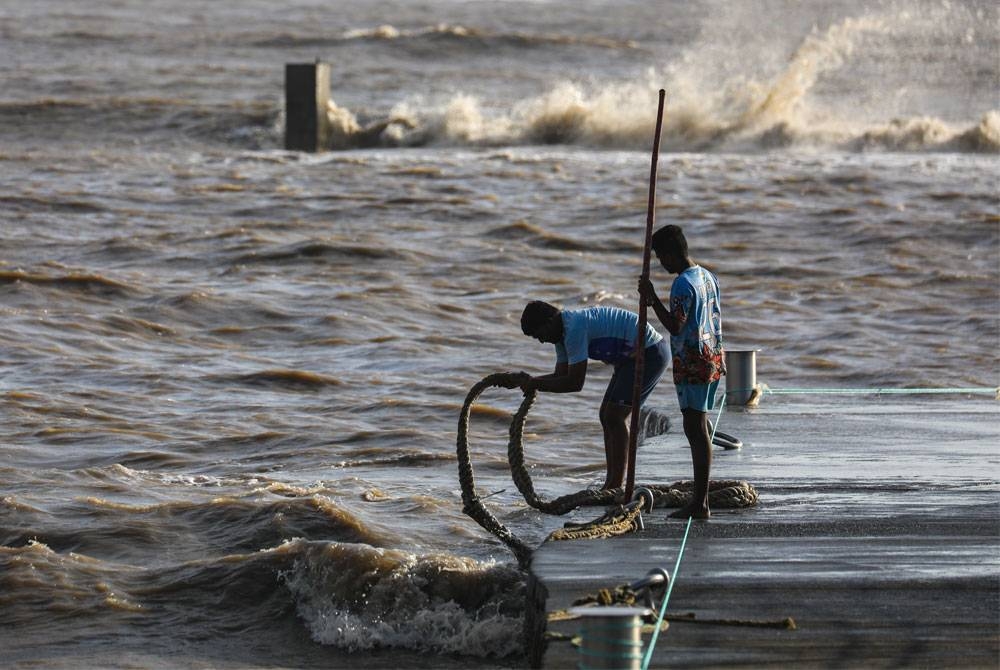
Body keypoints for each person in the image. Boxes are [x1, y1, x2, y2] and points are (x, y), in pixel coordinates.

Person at [499, 302, 669, 493]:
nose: (541, 341)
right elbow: (560, 375)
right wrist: (531, 380)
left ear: (550, 322)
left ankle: (616, 485)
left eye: (540, 335)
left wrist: (534, 383)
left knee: (615, 416)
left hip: (650, 351)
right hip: (627, 359)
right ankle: (611, 482)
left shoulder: (574, 329)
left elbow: (574, 383)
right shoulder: (562, 335)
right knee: (606, 415)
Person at [638, 224, 725, 519]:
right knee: (698, 427)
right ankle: (700, 500)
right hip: (712, 357)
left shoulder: (682, 285)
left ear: (673, 253)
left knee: (696, 430)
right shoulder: (708, 277)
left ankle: (700, 503)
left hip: (693, 362)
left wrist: (651, 300)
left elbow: (675, 325)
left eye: (662, 257)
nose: (662, 264)